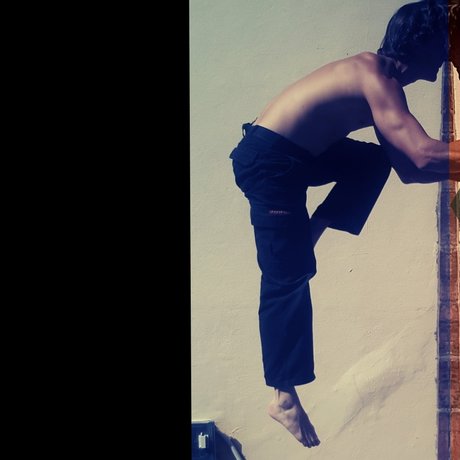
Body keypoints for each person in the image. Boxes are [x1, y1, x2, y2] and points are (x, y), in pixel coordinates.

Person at [229, 0, 460, 449]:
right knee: (286, 274)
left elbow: (408, 168)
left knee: (371, 162)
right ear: (424, 42)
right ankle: (282, 394)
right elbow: (421, 156)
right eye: (445, 46)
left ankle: (309, 235)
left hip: (297, 157)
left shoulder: (383, 81)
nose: (446, 57)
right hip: (269, 162)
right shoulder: (375, 76)